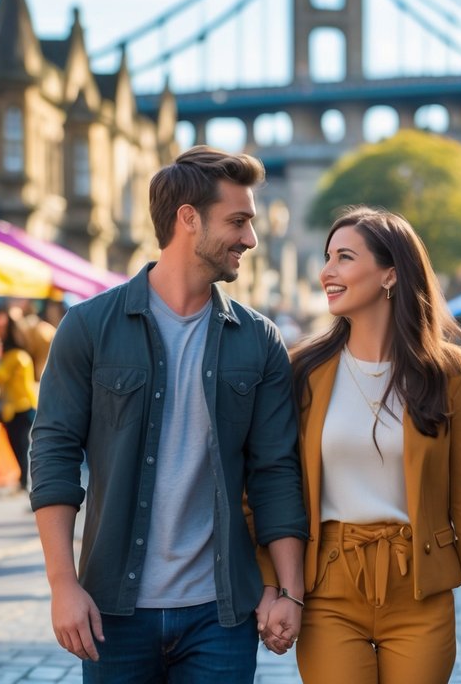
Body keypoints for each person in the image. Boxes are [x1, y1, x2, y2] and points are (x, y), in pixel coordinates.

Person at [30, 146, 308, 681]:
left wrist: (288, 591)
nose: (250, 238)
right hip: (112, 609)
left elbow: (275, 471)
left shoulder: (259, 340)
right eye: (238, 221)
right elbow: (53, 456)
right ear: (188, 218)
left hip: (220, 617)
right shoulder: (88, 328)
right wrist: (62, 584)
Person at [258, 207, 461, 684]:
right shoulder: (302, 372)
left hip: (420, 591)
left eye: (344, 257)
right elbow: (269, 489)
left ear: (390, 275)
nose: (327, 272)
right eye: (327, 257)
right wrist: (275, 587)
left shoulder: (448, 373)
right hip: (328, 590)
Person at [0, 308, 38, 492]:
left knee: (21, 444)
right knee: (18, 444)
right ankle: (23, 480)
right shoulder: (19, 355)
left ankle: (25, 482)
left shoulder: (15, 356)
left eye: (2, 327)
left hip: (21, 406)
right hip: (17, 406)